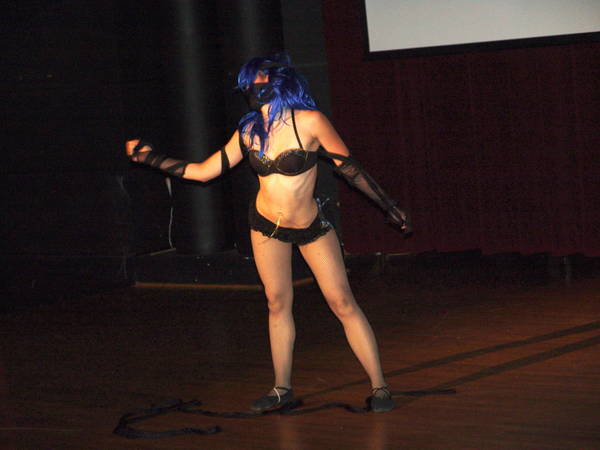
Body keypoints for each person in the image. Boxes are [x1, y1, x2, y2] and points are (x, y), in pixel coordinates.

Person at [125, 54, 411, 413]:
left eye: (260, 81)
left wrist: (389, 206)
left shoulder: (310, 122)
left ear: (279, 82)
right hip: (266, 226)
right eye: (249, 84)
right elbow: (203, 172)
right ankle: (281, 388)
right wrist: (150, 158)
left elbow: (349, 169)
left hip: (309, 227)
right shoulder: (249, 130)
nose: (254, 88)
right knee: (277, 302)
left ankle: (380, 386)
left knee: (341, 302)